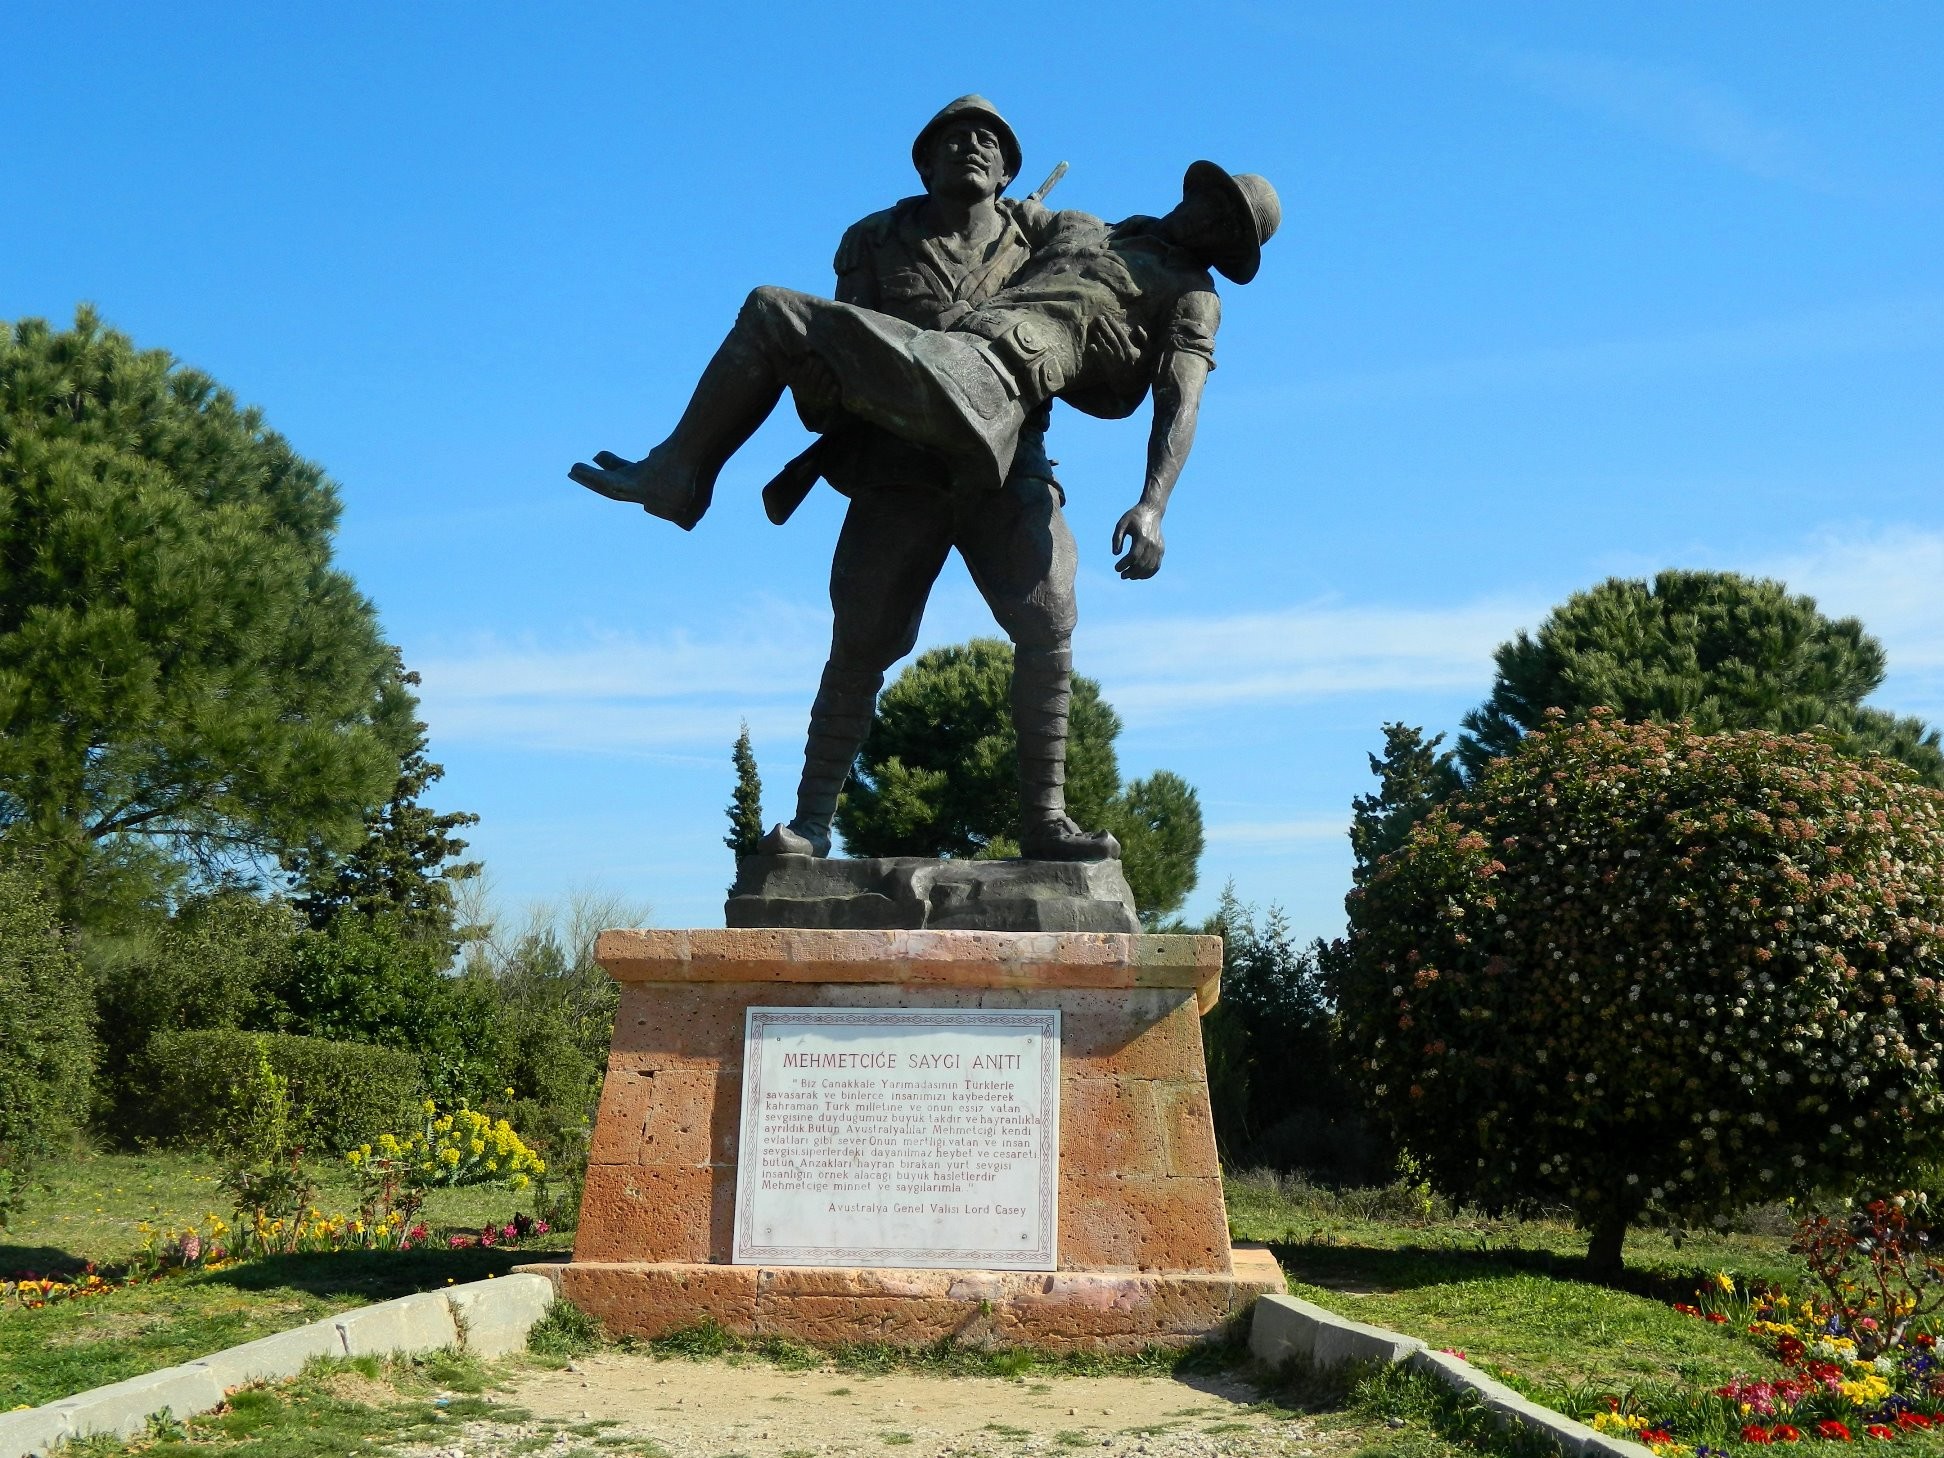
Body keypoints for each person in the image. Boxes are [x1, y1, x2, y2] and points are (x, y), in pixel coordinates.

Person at [572, 130, 1279, 863]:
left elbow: (1181, 398)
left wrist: (1153, 502)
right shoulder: (1078, 227)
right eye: (1212, 202)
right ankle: (810, 824)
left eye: (1229, 226)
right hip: (930, 411)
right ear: (1191, 193)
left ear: (1231, 250)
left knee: (1049, 614)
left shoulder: (1193, 297)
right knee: (860, 635)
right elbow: (992, 214)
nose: (1209, 221)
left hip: (988, 403)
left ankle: (1046, 820)